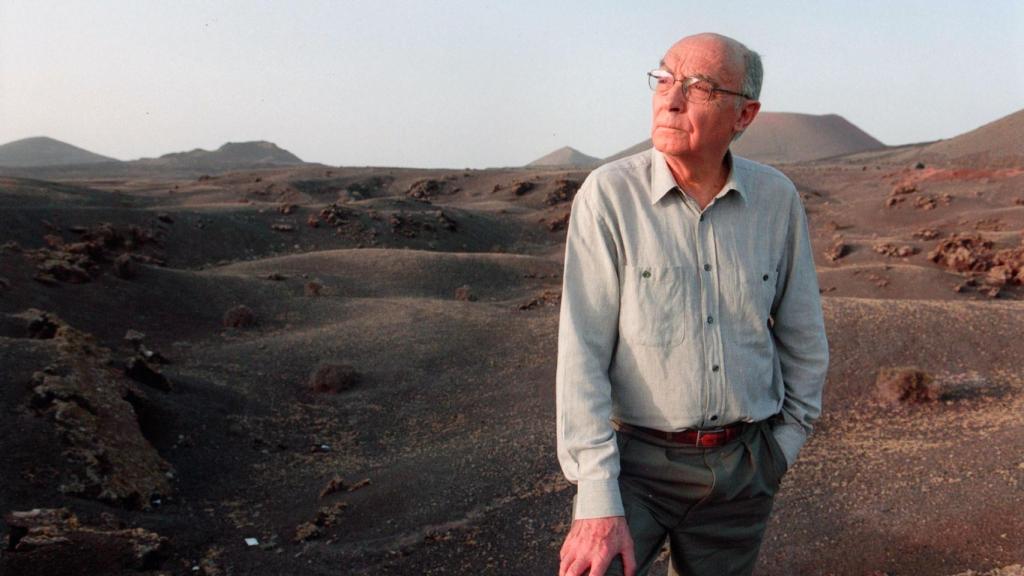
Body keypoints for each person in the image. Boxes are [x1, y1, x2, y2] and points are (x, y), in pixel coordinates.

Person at [555, 32, 829, 576]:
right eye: (664, 78)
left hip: (742, 469)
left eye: (699, 86)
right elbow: (581, 353)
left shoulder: (776, 199)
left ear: (744, 114)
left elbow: (803, 334)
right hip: (634, 469)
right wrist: (596, 497)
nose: (671, 99)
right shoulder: (609, 195)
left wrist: (783, 446)